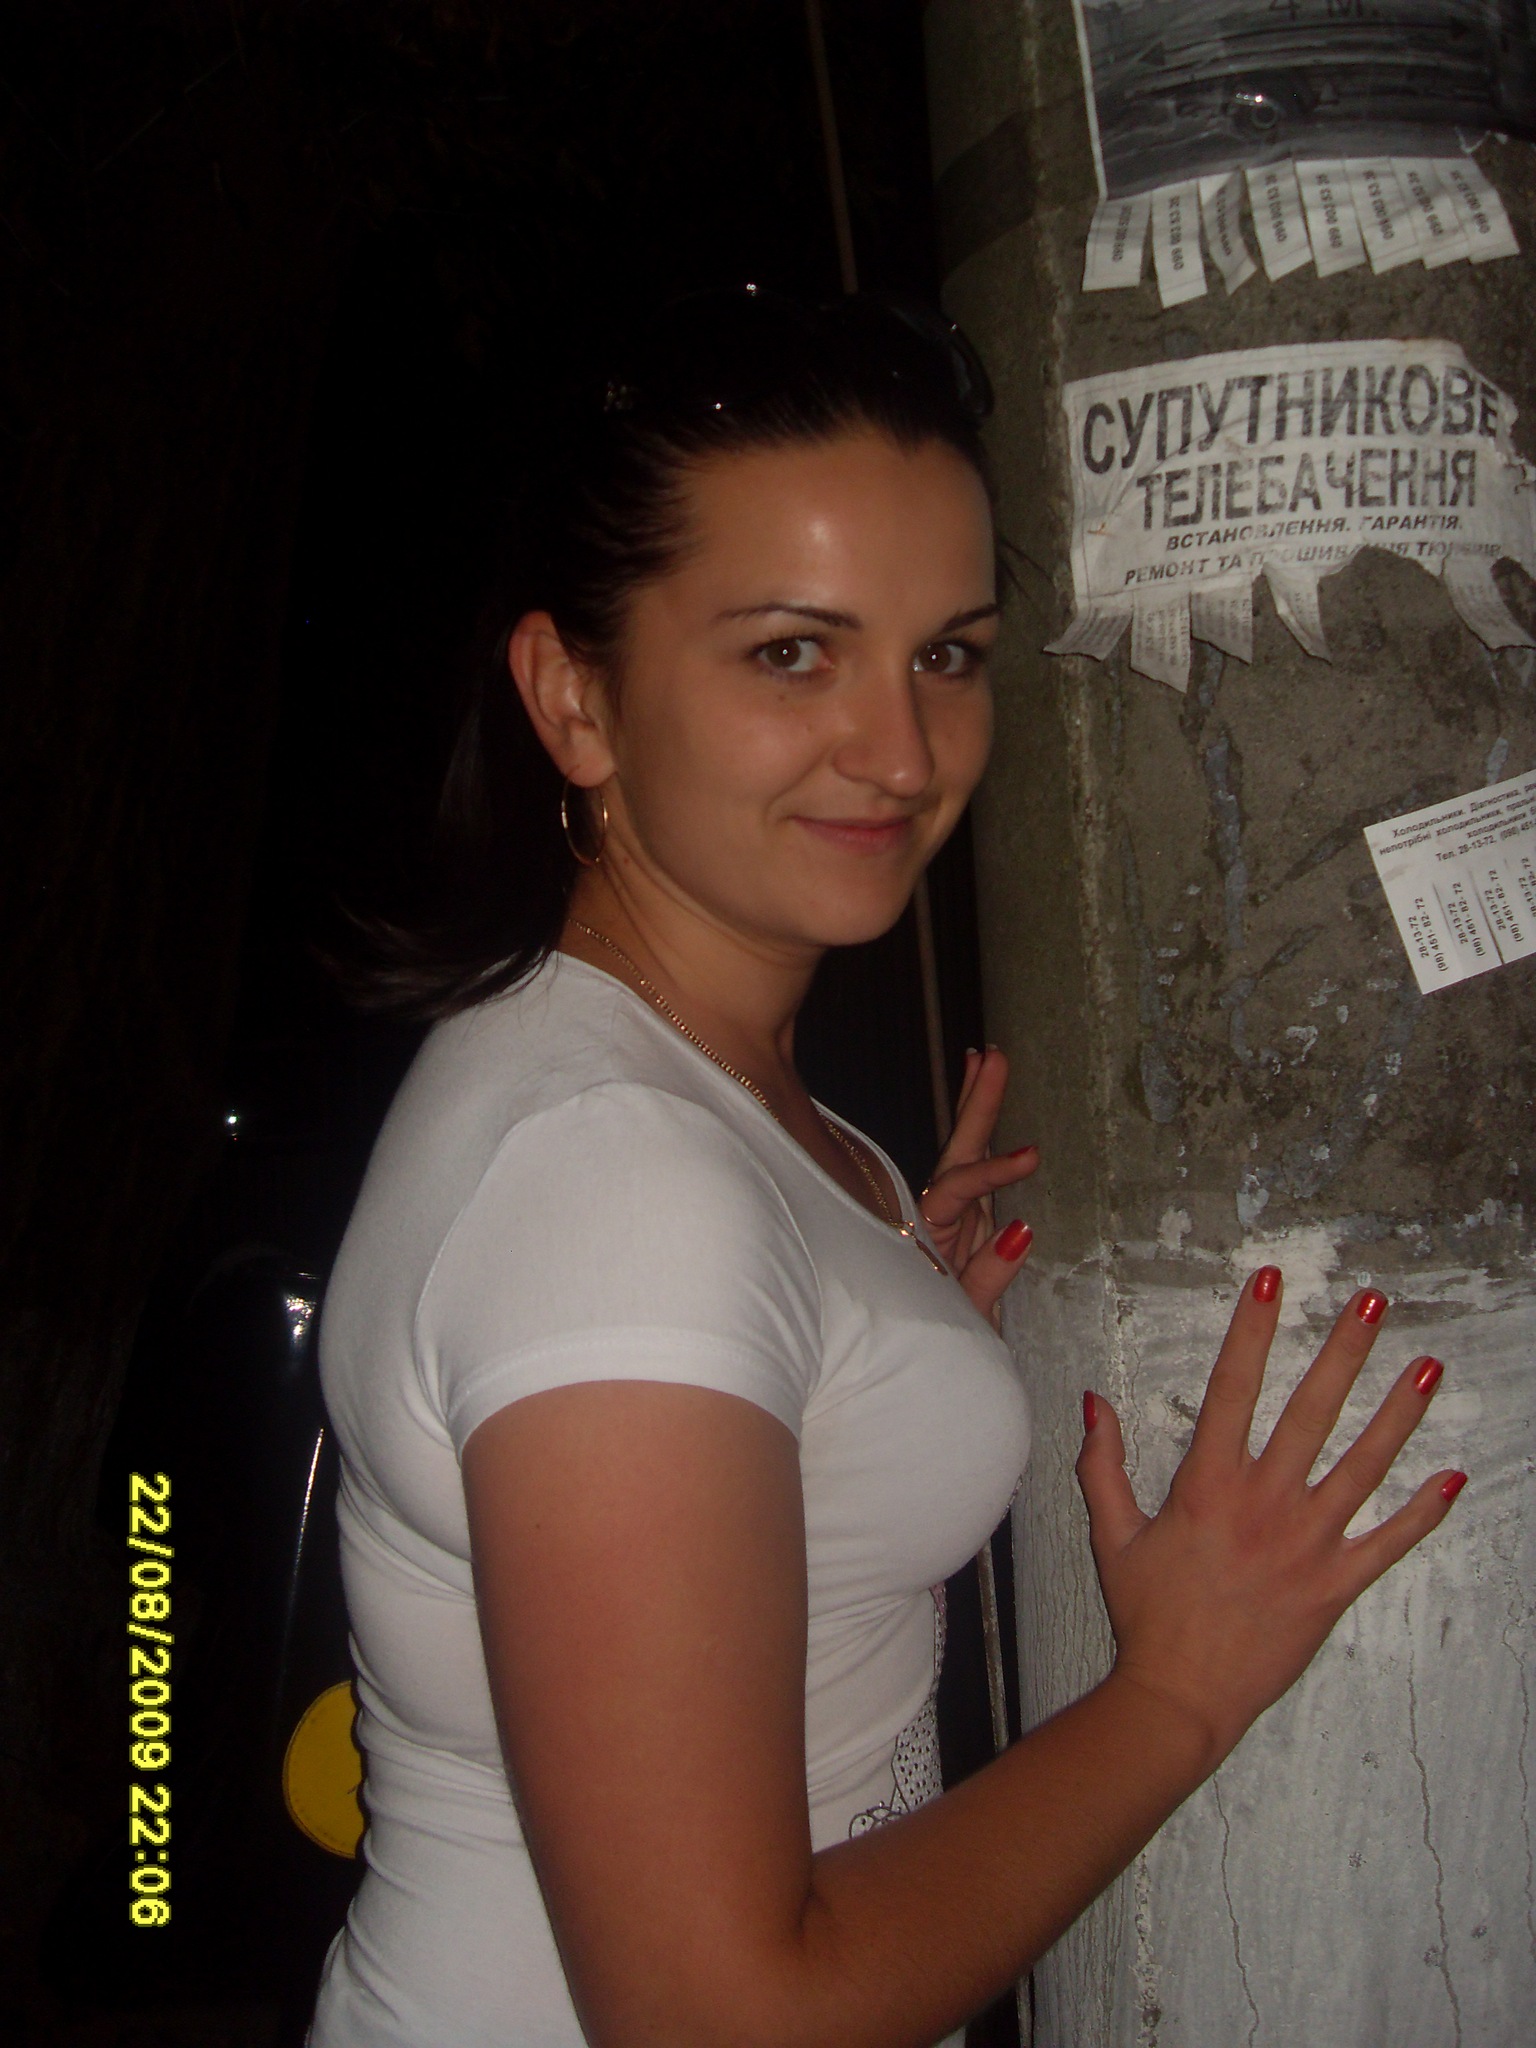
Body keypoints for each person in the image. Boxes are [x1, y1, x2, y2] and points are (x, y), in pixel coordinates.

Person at [308, 288, 1462, 2048]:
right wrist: (1176, 1693)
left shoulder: (672, 1083)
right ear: (574, 697)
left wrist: (860, 1307)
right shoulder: (618, 1188)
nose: (906, 754)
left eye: (947, 655)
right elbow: (720, 2017)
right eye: (794, 653)